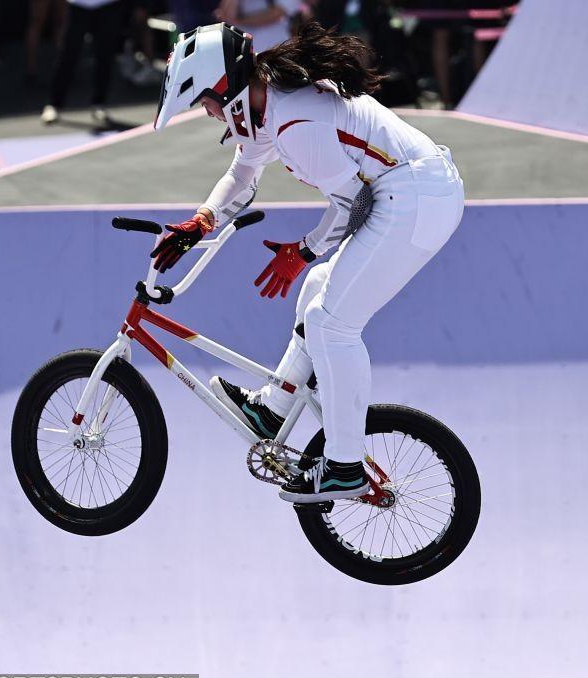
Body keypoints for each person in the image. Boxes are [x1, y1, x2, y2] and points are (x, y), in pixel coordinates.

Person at [153, 22, 464, 504]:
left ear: (225, 88)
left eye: (205, 101)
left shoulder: (295, 123)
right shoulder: (269, 102)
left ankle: (344, 467)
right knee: (318, 287)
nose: (208, 112)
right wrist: (202, 220)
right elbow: (244, 171)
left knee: (331, 325)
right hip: (412, 194)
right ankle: (271, 410)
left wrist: (303, 250)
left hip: (416, 199)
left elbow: (354, 204)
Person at [41, 0, 123, 126]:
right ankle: (53, 104)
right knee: (68, 54)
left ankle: (99, 104)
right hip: (78, 5)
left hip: (107, 6)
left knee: (105, 56)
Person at [213, 0, 303, 52]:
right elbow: (227, 15)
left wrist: (239, 21)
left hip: (277, 48)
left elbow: (276, 14)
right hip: (245, 51)